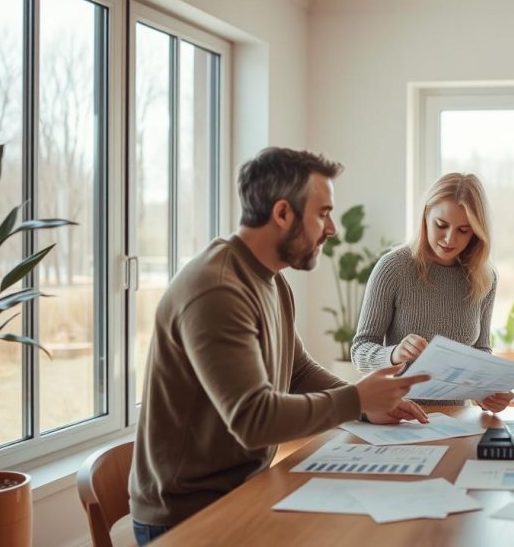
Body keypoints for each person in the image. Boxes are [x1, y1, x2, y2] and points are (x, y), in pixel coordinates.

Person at [129, 147, 430, 545]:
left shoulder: (271, 280)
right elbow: (253, 419)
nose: (332, 229)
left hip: (242, 490)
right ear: (283, 213)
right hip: (187, 517)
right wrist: (356, 400)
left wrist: (371, 407)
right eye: (323, 213)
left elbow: (297, 370)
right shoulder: (217, 289)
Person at [350, 173, 514, 412]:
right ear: (426, 215)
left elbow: (480, 349)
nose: (450, 239)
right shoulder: (394, 268)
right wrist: (394, 354)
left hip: (456, 419)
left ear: (476, 233)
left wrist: (484, 391)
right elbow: (360, 350)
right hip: (398, 417)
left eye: (463, 230)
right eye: (442, 225)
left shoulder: (484, 277)